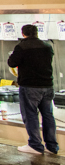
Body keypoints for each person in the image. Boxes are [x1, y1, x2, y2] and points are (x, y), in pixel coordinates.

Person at [7, 24, 58, 155]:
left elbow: (12, 63)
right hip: (47, 85)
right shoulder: (47, 46)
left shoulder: (22, 47)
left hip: (30, 86)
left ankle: (35, 145)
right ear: (36, 33)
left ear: (23, 34)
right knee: (48, 115)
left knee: (30, 115)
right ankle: (52, 146)